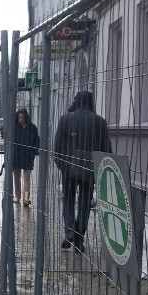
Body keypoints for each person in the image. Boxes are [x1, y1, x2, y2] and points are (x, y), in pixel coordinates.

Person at [53, 91, 112, 253]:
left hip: (69, 166)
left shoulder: (66, 119)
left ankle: (69, 229)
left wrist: (63, 166)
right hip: (90, 169)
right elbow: (106, 149)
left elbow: (57, 146)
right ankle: (79, 240)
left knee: (68, 199)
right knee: (85, 203)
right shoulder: (99, 122)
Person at [12, 108, 40, 206]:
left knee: (27, 177)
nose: (21, 119)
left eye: (22, 117)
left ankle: (26, 198)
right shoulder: (14, 127)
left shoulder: (32, 128)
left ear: (26, 117)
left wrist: (33, 151)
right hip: (16, 155)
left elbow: (37, 140)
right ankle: (17, 195)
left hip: (28, 155)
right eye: (19, 117)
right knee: (16, 177)